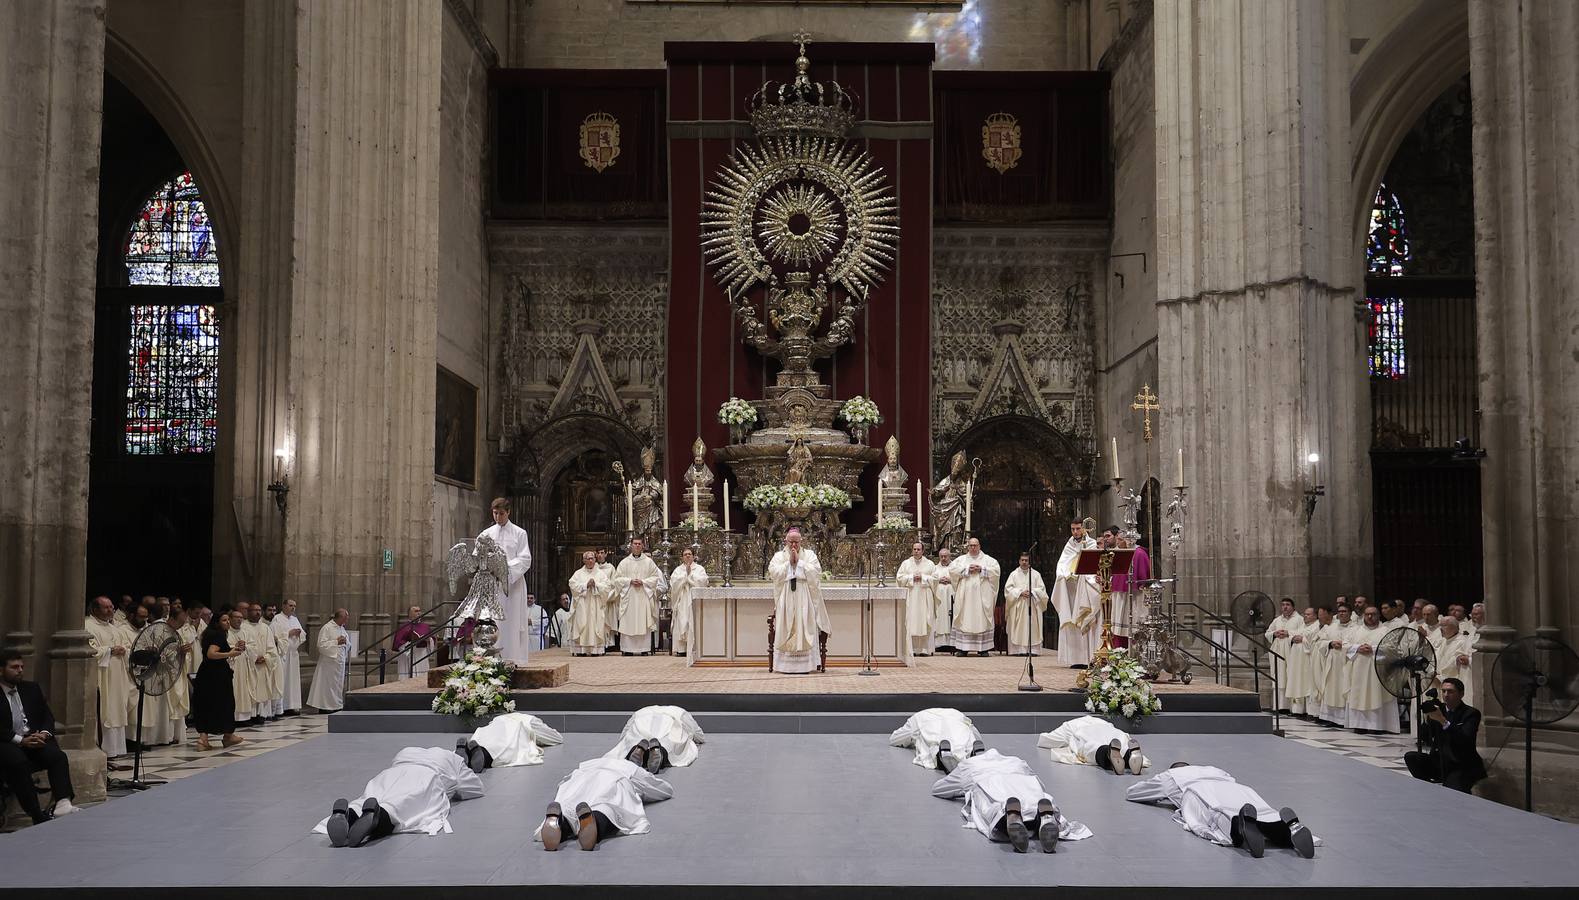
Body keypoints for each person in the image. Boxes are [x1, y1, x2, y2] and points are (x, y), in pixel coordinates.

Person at [1125, 763, 1316, 858]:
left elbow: (1133, 793)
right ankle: (1285, 827)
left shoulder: (1170, 776)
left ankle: (1241, 828)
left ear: (1175, 767)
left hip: (1199, 790)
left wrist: (1163, 795)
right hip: (1237, 789)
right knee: (1261, 809)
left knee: (1214, 813)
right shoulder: (1213, 769)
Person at [316, 746, 484, 847]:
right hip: (426, 776)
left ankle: (350, 813)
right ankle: (377, 817)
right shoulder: (452, 758)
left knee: (375, 794)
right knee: (402, 805)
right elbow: (474, 788)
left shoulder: (407, 751)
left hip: (391, 773)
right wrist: (455, 784)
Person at [931, 748, 1093, 853]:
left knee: (991, 805)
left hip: (989, 781)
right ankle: (1044, 816)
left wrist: (960, 786)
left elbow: (939, 789)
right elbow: (1039, 782)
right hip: (1023, 781)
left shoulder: (968, 765)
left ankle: (1009, 813)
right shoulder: (1015, 760)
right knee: (1036, 796)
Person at [1, 648, 79, 823]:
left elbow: (46, 716)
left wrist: (43, 734)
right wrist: (21, 741)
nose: (20, 670)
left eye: (21, 666)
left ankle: (63, 803)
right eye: (14, 667)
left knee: (57, 756)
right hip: (8, 742)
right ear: (1, 670)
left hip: (33, 739)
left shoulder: (31, 688)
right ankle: (36, 813)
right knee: (17, 762)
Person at [535, 756, 673, 851]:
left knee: (568, 805)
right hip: (612, 780)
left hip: (580, 780)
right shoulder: (630, 767)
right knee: (608, 808)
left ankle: (561, 822)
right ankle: (594, 821)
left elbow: (563, 782)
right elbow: (662, 790)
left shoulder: (587, 764)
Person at [1403, 677, 1485, 792]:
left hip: (1460, 764)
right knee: (1411, 757)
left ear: (1461, 694)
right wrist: (1427, 719)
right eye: (1444, 691)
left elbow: (1465, 739)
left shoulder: (1471, 713)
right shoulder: (1439, 709)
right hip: (1439, 761)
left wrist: (1443, 721)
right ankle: (1428, 788)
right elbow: (1426, 736)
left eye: (1450, 691)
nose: (1446, 695)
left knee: (1453, 793)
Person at [478, 497, 534, 663]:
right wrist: (487, 566)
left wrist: (504, 569)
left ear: (508, 512)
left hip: (512, 585)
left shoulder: (519, 533)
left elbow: (525, 559)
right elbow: (478, 555)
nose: (498, 517)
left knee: (512, 621)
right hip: (492, 584)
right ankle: (491, 659)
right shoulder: (486, 534)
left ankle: (514, 659)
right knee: (492, 619)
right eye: (495, 513)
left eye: (501, 513)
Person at [767, 528, 829, 674]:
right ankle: (785, 666)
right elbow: (773, 572)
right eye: (791, 542)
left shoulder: (810, 555)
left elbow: (816, 572)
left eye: (796, 542)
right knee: (786, 626)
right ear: (786, 541)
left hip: (804, 598)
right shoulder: (778, 556)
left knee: (804, 625)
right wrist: (789, 563)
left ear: (801, 541)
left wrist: (799, 563)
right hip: (786, 599)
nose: (793, 545)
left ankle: (805, 666)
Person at [83, 596, 132, 758]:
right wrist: (110, 650)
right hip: (101, 676)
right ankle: (104, 749)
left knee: (117, 707)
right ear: (95, 609)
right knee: (105, 709)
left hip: (117, 675)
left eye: (111, 607)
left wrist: (123, 650)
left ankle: (116, 749)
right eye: (106, 608)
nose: (111, 610)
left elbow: (126, 646)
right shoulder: (87, 626)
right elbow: (90, 651)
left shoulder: (114, 628)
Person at [193, 608, 245, 751]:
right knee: (225, 704)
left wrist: (232, 649)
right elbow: (211, 654)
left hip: (206, 673)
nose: (228, 622)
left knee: (205, 704)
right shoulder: (218, 635)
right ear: (217, 622)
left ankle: (203, 739)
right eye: (224, 620)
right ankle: (228, 735)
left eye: (228, 620)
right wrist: (230, 653)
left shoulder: (209, 634)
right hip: (217, 676)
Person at [1343, 606, 1401, 734]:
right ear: (1364, 615)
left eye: (1373, 614)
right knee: (1358, 695)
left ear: (1378, 615)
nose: (1370, 617)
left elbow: (1393, 649)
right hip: (1358, 671)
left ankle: (1377, 725)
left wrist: (1373, 649)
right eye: (1367, 614)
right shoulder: (1355, 631)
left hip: (1378, 671)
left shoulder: (1386, 630)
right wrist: (1357, 648)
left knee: (1377, 694)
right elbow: (1345, 645)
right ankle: (1359, 724)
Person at [1051, 519, 1100, 668]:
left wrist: (1083, 574)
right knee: (1072, 622)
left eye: (1078, 529)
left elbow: (1093, 566)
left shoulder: (1091, 544)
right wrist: (1064, 575)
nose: (1075, 532)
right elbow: (1062, 564)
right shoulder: (1069, 545)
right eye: (1072, 529)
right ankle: (1076, 659)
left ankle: (1088, 658)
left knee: (1084, 618)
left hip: (1085, 588)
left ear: (1084, 529)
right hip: (1071, 590)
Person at [603, 705, 707, 770]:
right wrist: (696, 738)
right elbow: (698, 734)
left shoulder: (641, 711)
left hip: (643, 721)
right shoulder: (680, 711)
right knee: (672, 742)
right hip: (668, 721)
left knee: (634, 737)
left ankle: (636, 749)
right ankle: (659, 751)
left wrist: (623, 744)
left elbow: (625, 732)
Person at [1037, 714, 1146, 775]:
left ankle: (1106, 753)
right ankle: (1128, 754)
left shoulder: (1070, 725)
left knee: (1089, 747)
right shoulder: (1102, 721)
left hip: (1084, 731)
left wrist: (1043, 736)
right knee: (1120, 741)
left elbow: (1048, 740)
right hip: (1109, 729)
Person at [456, 712, 564, 772]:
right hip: (514, 727)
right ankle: (483, 757)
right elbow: (556, 738)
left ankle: (467, 753)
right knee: (507, 746)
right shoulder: (530, 719)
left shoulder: (500, 717)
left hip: (494, 726)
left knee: (486, 740)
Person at [946, 537, 998, 657]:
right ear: (968, 547)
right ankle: (963, 648)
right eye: (971, 546)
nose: (973, 548)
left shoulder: (989, 560)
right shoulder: (961, 560)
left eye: (975, 545)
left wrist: (982, 569)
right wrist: (967, 570)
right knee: (965, 618)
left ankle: (983, 648)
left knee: (981, 619)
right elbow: (952, 571)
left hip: (982, 598)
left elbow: (996, 572)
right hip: (965, 599)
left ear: (979, 546)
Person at [613, 537, 665, 656]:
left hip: (643, 596)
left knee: (643, 620)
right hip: (629, 596)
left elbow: (655, 578)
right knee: (628, 621)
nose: (637, 546)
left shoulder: (649, 562)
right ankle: (627, 648)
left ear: (643, 546)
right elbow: (617, 579)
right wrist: (629, 581)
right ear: (631, 546)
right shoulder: (624, 562)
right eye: (635, 544)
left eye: (639, 544)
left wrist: (643, 582)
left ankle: (643, 648)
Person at [889, 707, 983, 771]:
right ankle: (972, 751)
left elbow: (895, 739)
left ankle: (940, 755)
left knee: (931, 742)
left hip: (928, 724)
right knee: (965, 737)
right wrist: (977, 739)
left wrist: (912, 740)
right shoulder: (956, 713)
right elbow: (973, 729)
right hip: (956, 721)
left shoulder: (917, 717)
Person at [1105, 528, 1150, 644]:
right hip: (1120, 596)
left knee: (1133, 629)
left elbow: (1143, 578)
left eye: (1120, 540)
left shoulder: (1139, 553)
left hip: (1135, 597)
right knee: (1119, 630)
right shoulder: (1118, 552)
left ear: (1129, 540)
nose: (1118, 542)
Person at [1313, 603, 1354, 726]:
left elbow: (1359, 643)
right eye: (1340, 611)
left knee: (1343, 688)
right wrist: (1330, 644)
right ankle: (1331, 718)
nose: (1341, 613)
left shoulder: (1356, 628)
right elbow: (1320, 642)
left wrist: (1344, 645)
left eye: (1344, 611)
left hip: (1347, 663)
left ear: (1350, 613)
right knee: (1331, 689)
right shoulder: (1330, 627)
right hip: (1332, 663)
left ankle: (1342, 719)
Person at [239, 603, 281, 724]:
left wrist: (267, 657)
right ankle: (249, 715)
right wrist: (253, 658)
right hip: (249, 665)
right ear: (248, 612)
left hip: (263, 664)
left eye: (259, 610)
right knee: (249, 690)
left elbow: (272, 647)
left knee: (262, 689)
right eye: (254, 610)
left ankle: (260, 715)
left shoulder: (265, 628)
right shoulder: (243, 627)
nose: (257, 613)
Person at [1004, 551, 1050, 657]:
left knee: (1032, 626)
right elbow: (1008, 590)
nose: (1024, 562)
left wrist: (1033, 592)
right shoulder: (1013, 574)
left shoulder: (1036, 575)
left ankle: (1033, 650)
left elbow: (1042, 590)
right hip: (1018, 606)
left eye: (1026, 560)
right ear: (1019, 561)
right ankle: (1017, 650)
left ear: (1030, 562)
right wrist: (1020, 592)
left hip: (1032, 605)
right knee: (1018, 627)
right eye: (1022, 560)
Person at [896, 542, 937, 656]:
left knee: (925, 620)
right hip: (911, 596)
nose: (916, 551)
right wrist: (912, 577)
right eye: (914, 549)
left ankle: (924, 649)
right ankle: (911, 649)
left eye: (918, 549)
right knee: (911, 620)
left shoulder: (930, 564)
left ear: (923, 551)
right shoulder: (906, 563)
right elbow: (899, 578)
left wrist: (923, 577)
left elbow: (935, 579)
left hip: (925, 597)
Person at [308, 608, 350, 713]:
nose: (347, 620)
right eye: (345, 618)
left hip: (339, 663)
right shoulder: (327, 628)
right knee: (327, 685)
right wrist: (336, 642)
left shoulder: (342, 629)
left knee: (337, 685)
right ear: (339, 617)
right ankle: (325, 706)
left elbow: (348, 644)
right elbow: (320, 645)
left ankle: (336, 704)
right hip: (328, 663)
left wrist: (346, 642)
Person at [1263, 598, 1301, 714]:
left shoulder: (1299, 619)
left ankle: (1291, 707)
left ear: (1293, 607)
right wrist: (1275, 633)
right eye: (1283, 605)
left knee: (1290, 676)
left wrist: (1288, 633)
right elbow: (1267, 633)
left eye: (1288, 605)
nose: (1285, 607)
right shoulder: (1277, 620)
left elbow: (1303, 632)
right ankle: (1279, 706)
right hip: (1278, 651)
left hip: (1291, 652)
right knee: (1279, 676)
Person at [668, 547, 708, 657]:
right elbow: (674, 584)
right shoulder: (678, 570)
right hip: (682, 600)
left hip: (694, 599)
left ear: (694, 556)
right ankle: (681, 649)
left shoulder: (699, 569)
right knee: (682, 620)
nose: (688, 556)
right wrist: (685, 576)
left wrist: (689, 576)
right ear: (682, 557)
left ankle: (695, 647)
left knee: (693, 621)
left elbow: (703, 582)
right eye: (685, 554)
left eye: (690, 554)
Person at [1429, 616, 1477, 706]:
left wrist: (1440, 677)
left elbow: (1453, 663)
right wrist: (1433, 671)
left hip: (1452, 684)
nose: (1441, 629)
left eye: (1444, 626)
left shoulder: (1461, 641)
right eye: (1440, 626)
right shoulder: (1444, 641)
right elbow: (1435, 658)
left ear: (1454, 627)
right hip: (1439, 681)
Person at [568, 551, 609, 656]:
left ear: (595, 560)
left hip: (596, 605)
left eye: (592, 558)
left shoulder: (601, 574)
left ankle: (595, 649)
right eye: (588, 559)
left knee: (595, 624)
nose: (590, 561)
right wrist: (585, 585)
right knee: (582, 624)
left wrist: (596, 585)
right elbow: (572, 584)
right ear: (584, 560)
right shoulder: (578, 573)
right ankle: (581, 650)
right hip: (582, 604)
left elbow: (607, 587)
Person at [1282, 607, 1320, 717]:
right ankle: (1298, 710)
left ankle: (1311, 711)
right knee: (1297, 682)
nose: (1305, 616)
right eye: (1305, 614)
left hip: (1307, 660)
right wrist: (1292, 638)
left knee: (1307, 683)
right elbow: (1293, 634)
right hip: (1296, 660)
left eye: (1308, 614)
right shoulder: (1302, 625)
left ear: (1315, 616)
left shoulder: (1317, 626)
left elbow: (1313, 640)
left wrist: (1302, 639)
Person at [270, 599, 305, 716]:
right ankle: (281, 707)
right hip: (282, 654)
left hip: (293, 655)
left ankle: (291, 706)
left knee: (292, 681)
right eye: (290, 605)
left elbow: (303, 635)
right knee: (282, 680)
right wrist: (289, 633)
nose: (293, 608)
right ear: (284, 606)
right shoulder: (277, 619)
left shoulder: (295, 619)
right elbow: (273, 636)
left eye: (294, 606)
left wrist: (299, 633)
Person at [393, 605, 434, 681]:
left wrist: (429, 640)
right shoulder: (404, 627)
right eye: (416, 611)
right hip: (409, 653)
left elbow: (432, 638)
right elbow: (399, 642)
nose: (419, 613)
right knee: (408, 676)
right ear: (409, 614)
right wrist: (409, 644)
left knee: (422, 677)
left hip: (421, 654)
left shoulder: (425, 626)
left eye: (419, 611)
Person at [931, 547, 955, 652]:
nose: (944, 558)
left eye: (946, 556)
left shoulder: (955, 567)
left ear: (950, 556)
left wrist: (951, 580)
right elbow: (930, 580)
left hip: (951, 597)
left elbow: (960, 579)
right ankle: (939, 643)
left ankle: (952, 643)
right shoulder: (935, 568)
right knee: (940, 617)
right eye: (941, 556)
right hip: (939, 599)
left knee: (951, 616)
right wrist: (938, 580)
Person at [595, 547, 618, 651]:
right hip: (595, 600)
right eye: (598, 553)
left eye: (602, 553)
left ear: (605, 554)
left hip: (607, 601)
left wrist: (606, 596)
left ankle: (607, 644)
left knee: (606, 622)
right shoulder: (593, 567)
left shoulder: (611, 568)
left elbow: (614, 584)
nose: (600, 555)